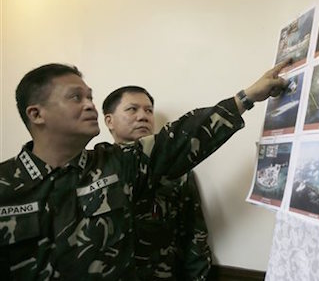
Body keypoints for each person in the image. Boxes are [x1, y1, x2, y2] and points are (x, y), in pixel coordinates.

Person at [0, 60, 289, 280]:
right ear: (37, 114)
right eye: (76, 97)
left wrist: (247, 96)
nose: (90, 105)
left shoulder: (119, 164)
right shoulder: (4, 185)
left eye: (90, 97)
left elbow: (180, 138)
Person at [102, 85, 212, 280]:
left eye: (148, 110)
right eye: (132, 109)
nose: (143, 116)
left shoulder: (178, 172)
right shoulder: (96, 169)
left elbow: (195, 236)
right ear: (109, 121)